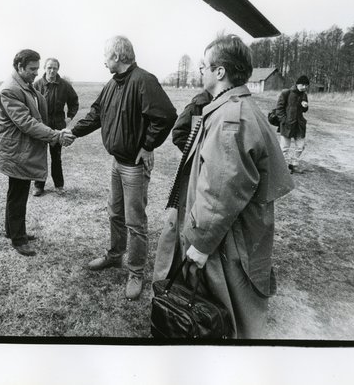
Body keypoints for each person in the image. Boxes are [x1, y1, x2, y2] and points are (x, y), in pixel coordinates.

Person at [153, 34, 294, 338]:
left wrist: (201, 245)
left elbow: (221, 192)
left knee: (224, 319)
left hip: (225, 241)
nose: (200, 71)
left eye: (204, 66)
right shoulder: (230, 109)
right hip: (225, 234)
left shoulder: (232, 118)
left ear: (220, 72)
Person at [67, 35, 177, 300]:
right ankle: (115, 256)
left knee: (135, 222)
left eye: (106, 56)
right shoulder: (111, 84)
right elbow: (96, 115)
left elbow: (166, 116)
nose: (103, 61)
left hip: (135, 167)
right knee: (115, 213)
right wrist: (73, 132)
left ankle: (136, 271)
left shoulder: (144, 81)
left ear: (117, 57)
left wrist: (148, 146)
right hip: (117, 163)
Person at [0, 49, 75, 257]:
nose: (35, 73)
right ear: (20, 67)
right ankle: (18, 239)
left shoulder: (24, 85)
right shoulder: (10, 90)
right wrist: (56, 135)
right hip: (17, 152)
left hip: (21, 150)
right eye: (32, 69)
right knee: (18, 194)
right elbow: (27, 123)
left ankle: (12, 231)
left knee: (17, 192)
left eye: (37, 69)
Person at [32, 57, 79, 196]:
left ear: (58, 69)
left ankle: (59, 185)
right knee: (39, 156)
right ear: (44, 68)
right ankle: (38, 186)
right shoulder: (37, 85)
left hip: (58, 126)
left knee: (56, 157)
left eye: (55, 68)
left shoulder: (64, 85)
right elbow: (28, 103)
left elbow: (74, 102)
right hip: (41, 126)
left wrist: (68, 118)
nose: (52, 71)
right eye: (49, 68)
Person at [276, 75, 310, 173]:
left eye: (306, 85)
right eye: (303, 84)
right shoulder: (286, 93)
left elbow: (304, 110)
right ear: (297, 84)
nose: (304, 87)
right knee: (284, 148)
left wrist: (305, 106)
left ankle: (294, 165)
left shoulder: (304, 95)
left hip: (299, 125)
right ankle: (284, 167)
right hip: (287, 124)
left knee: (300, 146)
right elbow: (279, 109)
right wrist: (284, 121)